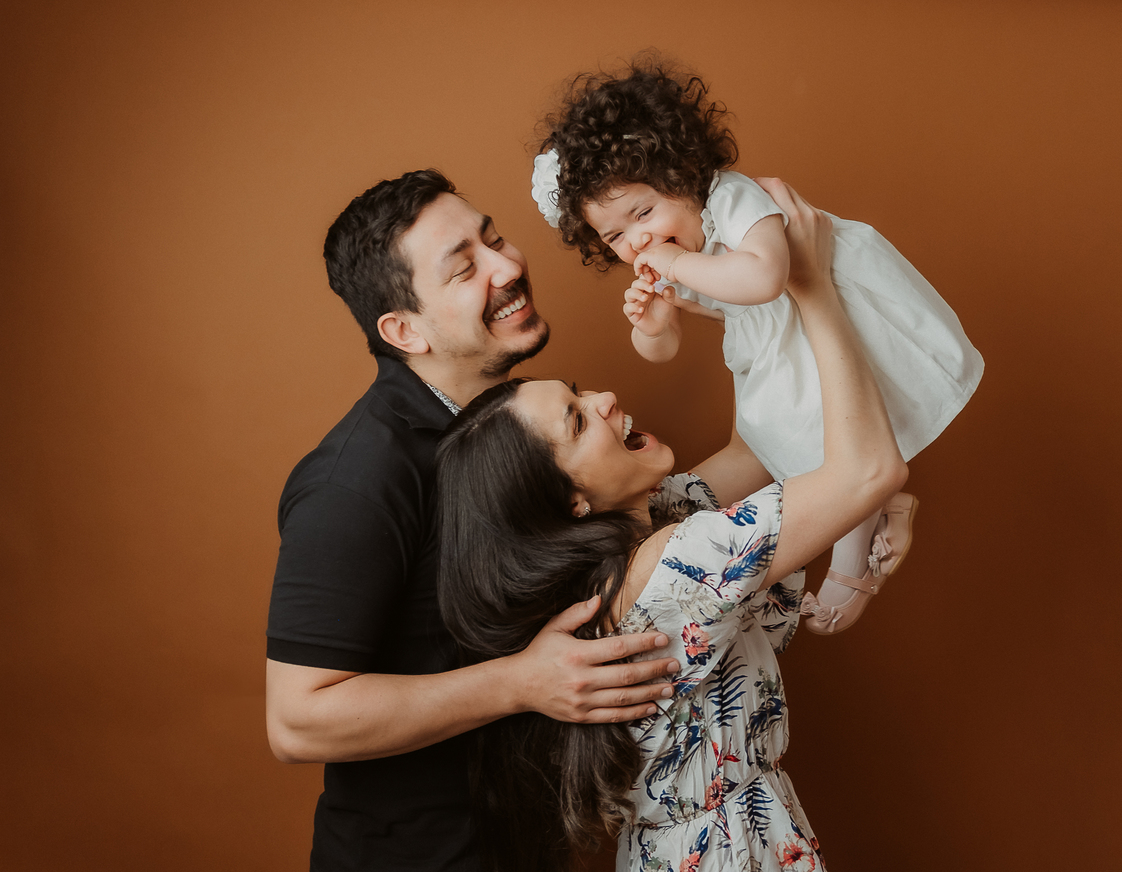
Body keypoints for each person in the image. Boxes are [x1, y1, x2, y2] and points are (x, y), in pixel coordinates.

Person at [437, 181, 909, 872]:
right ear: (572, 502)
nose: (605, 399)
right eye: (577, 420)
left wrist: (729, 297)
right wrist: (809, 289)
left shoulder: (652, 532)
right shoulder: (677, 563)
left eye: (578, 392)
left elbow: (759, 445)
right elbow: (868, 470)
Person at [264, 169, 682, 872]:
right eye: (464, 268)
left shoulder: (518, 423)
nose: (508, 266)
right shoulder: (356, 481)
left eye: (494, 238)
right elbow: (297, 720)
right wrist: (520, 682)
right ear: (403, 330)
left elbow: (672, 507)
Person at [531, 61, 983, 633]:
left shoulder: (730, 198)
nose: (637, 239)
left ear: (683, 173)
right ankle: (876, 509)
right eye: (615, 235)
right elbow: (664, 349)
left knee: (816, 428)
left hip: (822, 307)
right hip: (782, 338)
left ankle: (862, 525)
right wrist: (654, 324)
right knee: (785, 434)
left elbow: (766, 278)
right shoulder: (673, 246)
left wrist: (675, 263)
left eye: (643, 212)